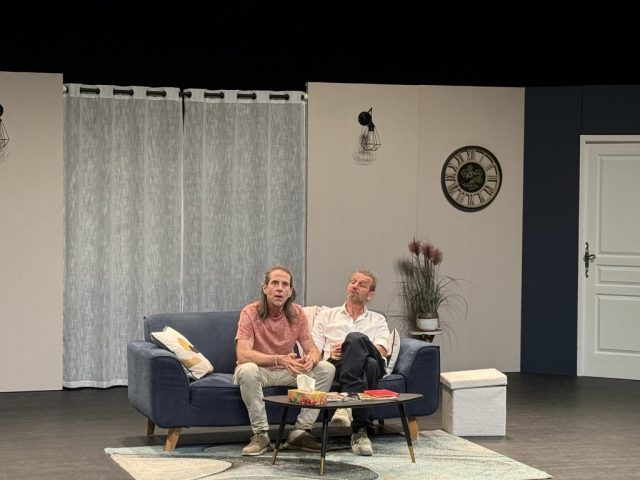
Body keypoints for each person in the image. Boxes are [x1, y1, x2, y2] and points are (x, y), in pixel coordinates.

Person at [234, 265, 335, 456]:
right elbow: (243, 354)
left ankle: (300, 433)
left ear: (290, 291)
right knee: (247, 369)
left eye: (285, 285)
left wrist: (310, 360)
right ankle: (261, 435)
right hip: (260, 371)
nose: (279, 288)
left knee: (326, 368)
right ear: (265, 288)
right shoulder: (250, 312)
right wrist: (278, 360)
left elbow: (313, 350)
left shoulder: (297, 313)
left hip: (288, 371)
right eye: (275, 283)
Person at [311, 269, 390, 456]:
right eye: (353, 282)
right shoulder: (326, 316)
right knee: (369, 364)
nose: (355, 286)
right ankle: (360, 431)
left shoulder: (378, 319)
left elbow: (382, 350)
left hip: (374, 361)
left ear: (370, 294)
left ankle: (345, 405)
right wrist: (333, 352)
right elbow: (314, 349)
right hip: (336, 364)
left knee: (356, 340)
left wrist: (352, 346)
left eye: (362, 285)